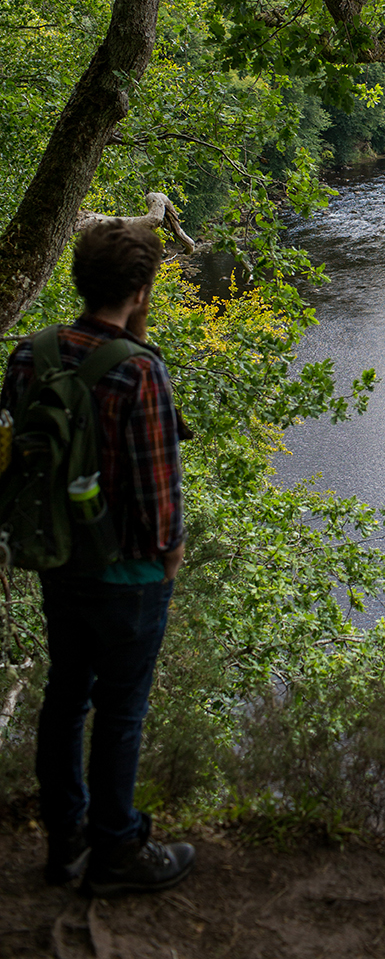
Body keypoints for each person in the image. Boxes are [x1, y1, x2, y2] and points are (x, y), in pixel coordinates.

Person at [0, 219, 194, 895]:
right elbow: (158, 489)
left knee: (64, 695)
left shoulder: (30, 354)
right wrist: (169, 558)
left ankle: (67, 840)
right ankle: (118, 850)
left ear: (79, 280)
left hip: (57, 561)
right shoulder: (140, 370)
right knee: (120, 710)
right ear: (141, 292)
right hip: (130, 578)